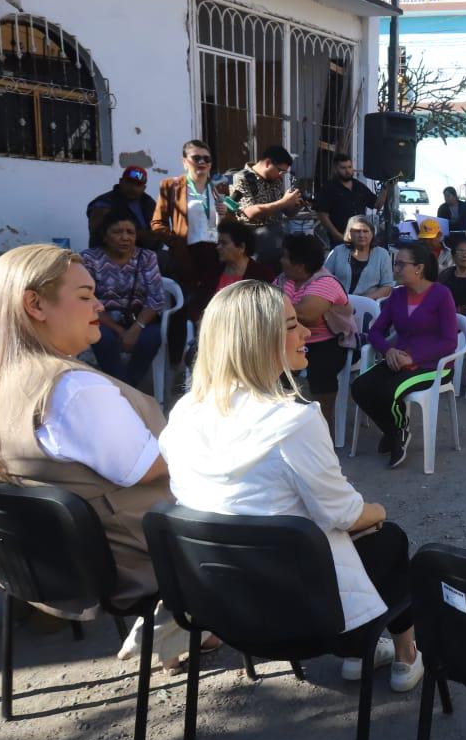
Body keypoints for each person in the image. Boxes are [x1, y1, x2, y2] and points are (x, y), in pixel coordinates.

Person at [158, 280, 423, 689]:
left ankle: (362, 655)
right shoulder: (293, 421)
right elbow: (344, 513)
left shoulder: (184, 413)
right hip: (302, 612)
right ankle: (400, 652)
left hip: (225, 602)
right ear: (257, 340)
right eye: (291, 325)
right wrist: (379, 513)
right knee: (388, 537)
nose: (305, 333)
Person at [0, 245, 170, 632]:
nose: (100, 307)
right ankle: (192, 622)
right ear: (35, 305)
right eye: (84, 296)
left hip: (31, 566)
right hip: (130, 563)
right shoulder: (72, 388)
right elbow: (153, 468)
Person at [350, 242, 458, 468]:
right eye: (395, 263)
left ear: (418, 268)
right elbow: (376, 331)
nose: (395, 269)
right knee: (360, 387)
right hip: (398, 359)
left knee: (389, 392)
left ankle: (396, 432)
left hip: (432, 366)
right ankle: (396, 430)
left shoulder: (441, 294)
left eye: (400, 264)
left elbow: (450, 342)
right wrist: (388, 350)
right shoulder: (397, 296)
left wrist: (414, 357)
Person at [152, 140, 229, 355]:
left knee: (211, 309)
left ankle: (209, 356)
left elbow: (221, 226)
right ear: (185, 161)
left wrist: (224, 215)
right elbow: (157, 224)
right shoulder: (172, 186)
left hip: (213, 256)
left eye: (207, 158)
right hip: (186, 256)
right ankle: (178, 360)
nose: (202, 162)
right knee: (183, 308)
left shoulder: (216, 190)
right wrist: (176, 242)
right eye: (197, 158)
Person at [82, 211, 167, 389]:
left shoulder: (147, 258)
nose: (125, 237)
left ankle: (124, 389)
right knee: (102, 338)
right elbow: (88, 300)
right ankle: (128, 391)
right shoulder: (89, 259)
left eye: (130, 232)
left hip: (139, 320)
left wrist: (135, 329)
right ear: (105, 236)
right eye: (117, 232)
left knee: (151, 338)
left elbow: (156, 298)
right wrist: (121, 331)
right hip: (103, 320)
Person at [278, 233, 350, 430]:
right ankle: (283, 418)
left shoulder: (325, 282)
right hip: (294, 336)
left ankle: (323, 425)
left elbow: (307, 315)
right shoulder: (285, 279)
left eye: (285, 256)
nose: (281, 260)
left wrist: (279, 308)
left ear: (300, 265)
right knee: (273, 361)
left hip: (329, 339)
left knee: (321, 368)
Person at [229, 145, 303, 266]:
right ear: (268, 163)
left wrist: (295, 204)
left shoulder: (275, 180)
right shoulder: (242, 178)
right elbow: (250, 212)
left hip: (277, 240)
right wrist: (284, 202)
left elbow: (285, 211)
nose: (281, 175)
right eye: (280, 170)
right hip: (255, 241)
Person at [323, 215, 394, 300]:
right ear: (349, 233)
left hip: (369, 305)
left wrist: (362, 301)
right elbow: (324, 279)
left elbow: (387, 286)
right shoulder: (338, 251)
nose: (361, 235)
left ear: (372, 233)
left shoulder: (382, 254)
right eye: (357, 231)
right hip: (339, 304)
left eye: (365, 231)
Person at [87, 166, 158, 250]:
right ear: (121, 182)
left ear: (144, 188)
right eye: (129, 182)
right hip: (109, 256)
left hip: (146, 255)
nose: (133, 188)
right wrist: (140, 235)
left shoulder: (149, 202)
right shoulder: (103, 203)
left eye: (138, 185)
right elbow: (97, 233)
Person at [313, 155, 375, 248]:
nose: (347, 171)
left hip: (360, 238)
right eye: (343, 168)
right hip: (340, 239)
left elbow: (376, 204)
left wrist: (386, 188)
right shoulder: (328, 188)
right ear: (335, 169)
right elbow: (322, 214)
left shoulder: (359, 186)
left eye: (350, 167)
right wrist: (337, 235)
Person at [213, 219, 276, 294]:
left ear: (242, 247)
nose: (218, 247)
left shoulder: (263, 276)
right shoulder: (213, 271)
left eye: (224, 243)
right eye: (218, 243)